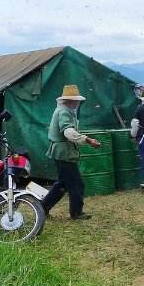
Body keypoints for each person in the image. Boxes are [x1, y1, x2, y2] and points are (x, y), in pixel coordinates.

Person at [42, 84, 101, 221]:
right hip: (64, 152)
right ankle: (76, 213)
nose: (78, 103)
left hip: (61, 151)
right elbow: (67, 131)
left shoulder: (64, 110)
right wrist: (87, 140)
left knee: (63, 183)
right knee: (76, 183)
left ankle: (43, 207)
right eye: (76, 100)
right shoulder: (64, 111)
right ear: (69, 100)